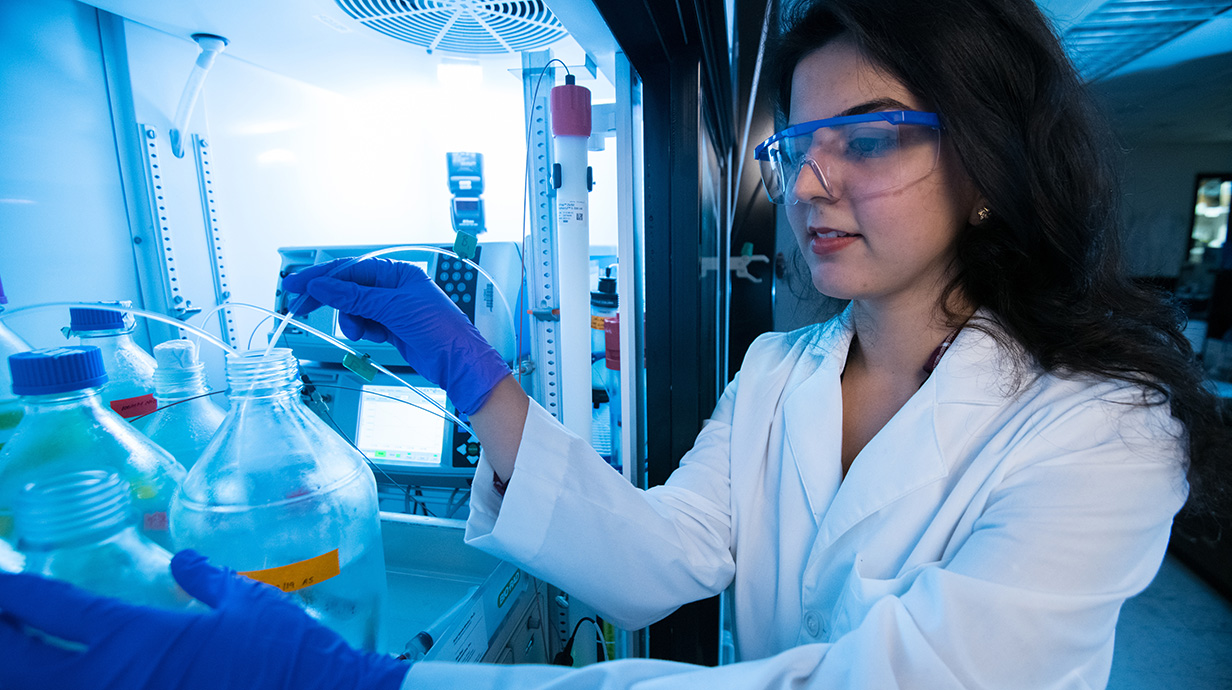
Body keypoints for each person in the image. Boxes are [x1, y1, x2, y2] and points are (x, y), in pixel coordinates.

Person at [1, 0, 1227, 688]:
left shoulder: (1102, 430)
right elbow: (656, 563)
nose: (811, 183)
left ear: (987, 168)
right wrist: (475, 381)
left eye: (872, 136)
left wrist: (374, 688)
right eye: (797, 146)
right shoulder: (780, 373)